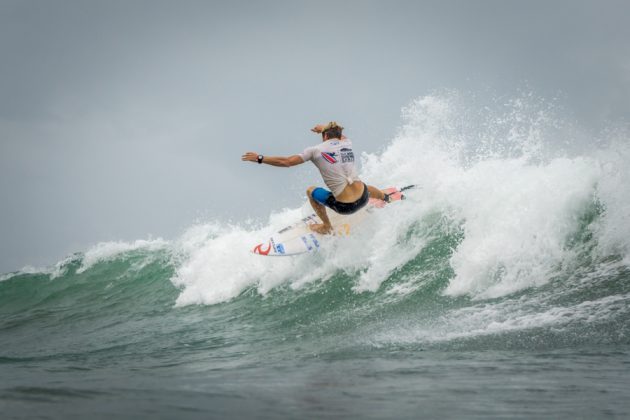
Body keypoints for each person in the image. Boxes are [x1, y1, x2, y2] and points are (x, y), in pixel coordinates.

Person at [241, 122, 389, 235]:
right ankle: (385, 197)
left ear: (324, 136)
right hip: (363, 198)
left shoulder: (314, 151)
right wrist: (324, 129)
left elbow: (286, 162)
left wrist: (260, 158)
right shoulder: (347, 143)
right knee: (363, 185)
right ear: (338, 135)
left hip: (346, 208)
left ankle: (326, 226)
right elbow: (339, 135)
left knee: (311, 191)